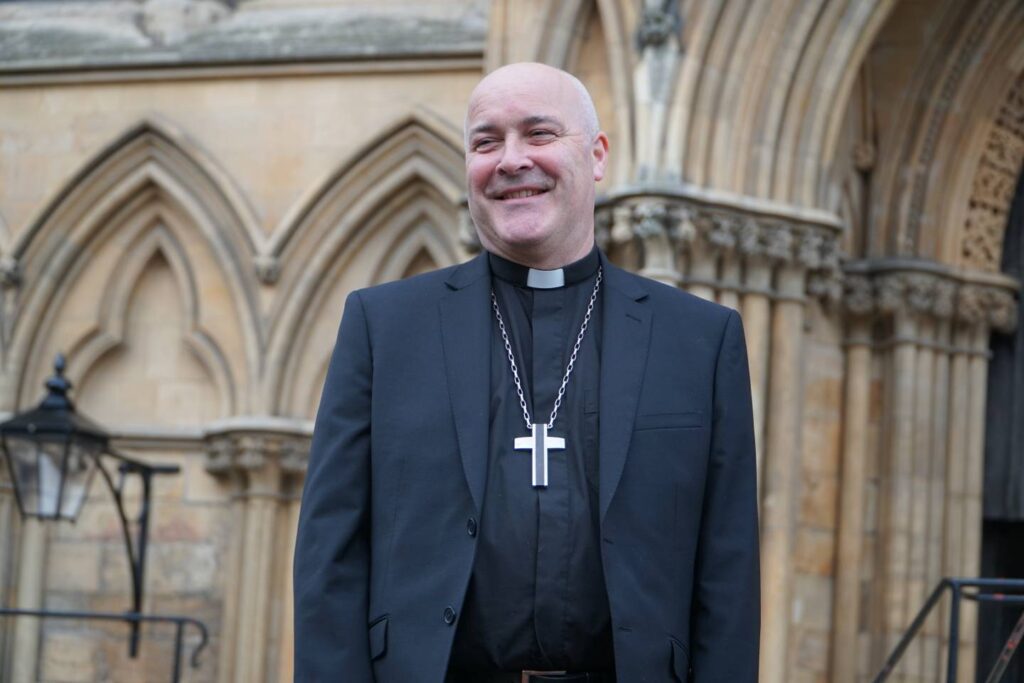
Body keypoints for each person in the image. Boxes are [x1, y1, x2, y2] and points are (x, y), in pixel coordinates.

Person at [293, 62, 759, 683]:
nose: (511, 160)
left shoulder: (699, 340)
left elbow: (727, 568)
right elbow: (330, 553)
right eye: (486, 142)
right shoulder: (384, 327)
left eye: (538, 134)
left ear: (596, 157)